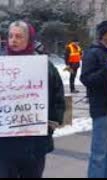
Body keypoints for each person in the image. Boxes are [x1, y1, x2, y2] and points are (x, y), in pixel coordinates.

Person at [0, 21, 65, 178]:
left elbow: (58, 96)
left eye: (18, 36)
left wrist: (51, 123)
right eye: (10, 36)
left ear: (29, 39)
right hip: (4, 145)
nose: (13, 40)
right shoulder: (1, 64)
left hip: (34, 143)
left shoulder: (44, 65)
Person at [80, 20, 107, 178]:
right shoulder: (93, 53)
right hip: (102, 110)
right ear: (103, 34)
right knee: (99, 153)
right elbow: (86, 79)